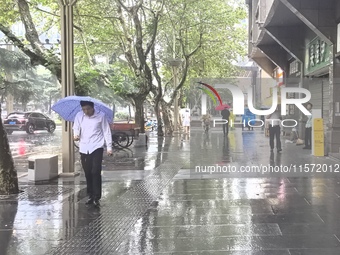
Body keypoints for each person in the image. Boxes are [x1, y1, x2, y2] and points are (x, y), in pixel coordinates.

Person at [73, 101, 113, 207]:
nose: (86, 111)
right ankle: (90, 195)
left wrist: (109, 147)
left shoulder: (101, 116)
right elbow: (76, 127)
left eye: (88, 109)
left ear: (92, 108)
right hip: (84, 147)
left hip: (97, 147)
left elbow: (106, 131)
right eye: (84, 109)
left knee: (95, 171)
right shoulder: (79, 115)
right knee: (87, 172)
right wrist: (76, 134)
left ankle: (96, 196)